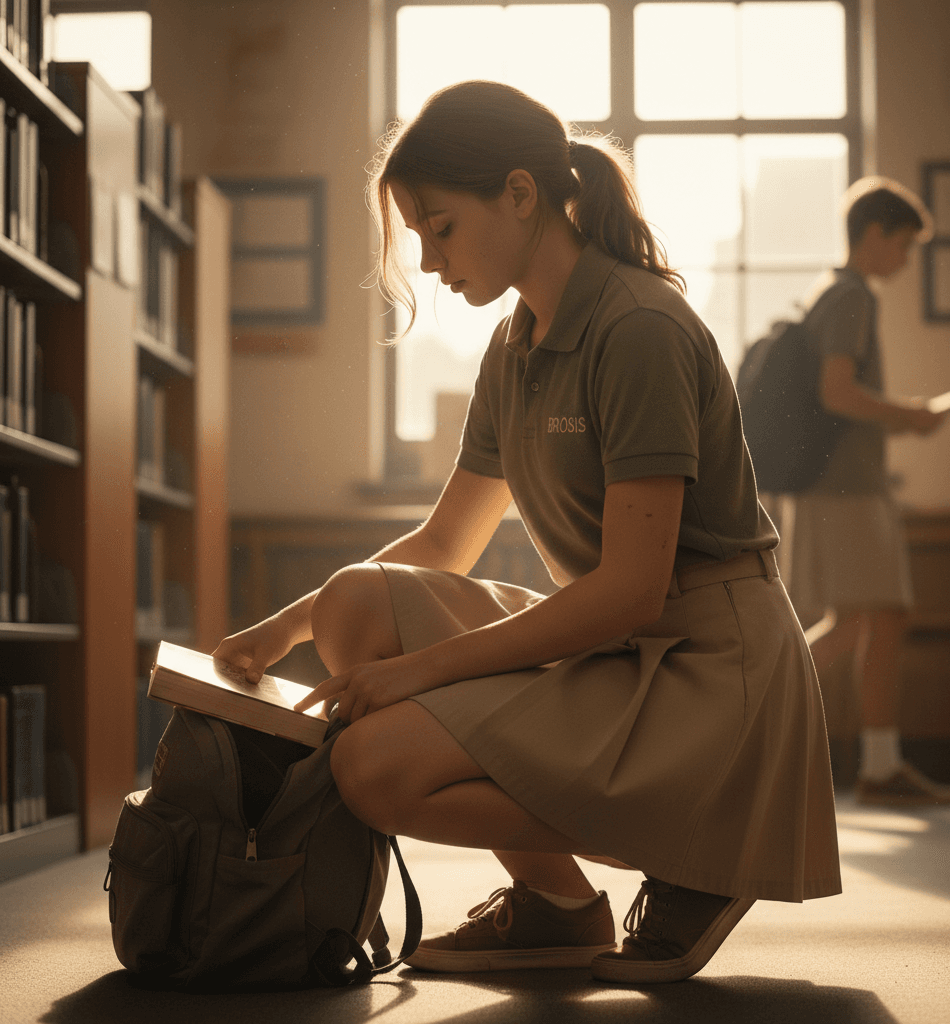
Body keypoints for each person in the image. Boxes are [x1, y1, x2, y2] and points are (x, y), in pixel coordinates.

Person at [213, 80, 842, 984]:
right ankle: (558, 905)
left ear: (520, 194)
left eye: (440, 227)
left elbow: (629, 590)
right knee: (355, 602)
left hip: (709, 675)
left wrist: (415, 675)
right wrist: (287, 626)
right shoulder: (515, 346)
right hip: (623, 653)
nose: (428, 260)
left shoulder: (638, 329)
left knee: (373, 769)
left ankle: (699, 846)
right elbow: (443, 547)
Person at [766, 176, 950, 807]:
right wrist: (912, 416)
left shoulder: (829, 292)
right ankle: (785, 740)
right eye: (903, 245)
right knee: (876, 617)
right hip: (845, 490)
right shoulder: (853, 297)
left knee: (854, 620)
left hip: (834, 487)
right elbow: (836, 392)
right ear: (874, 235)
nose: (905, 261)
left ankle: (868, 762)